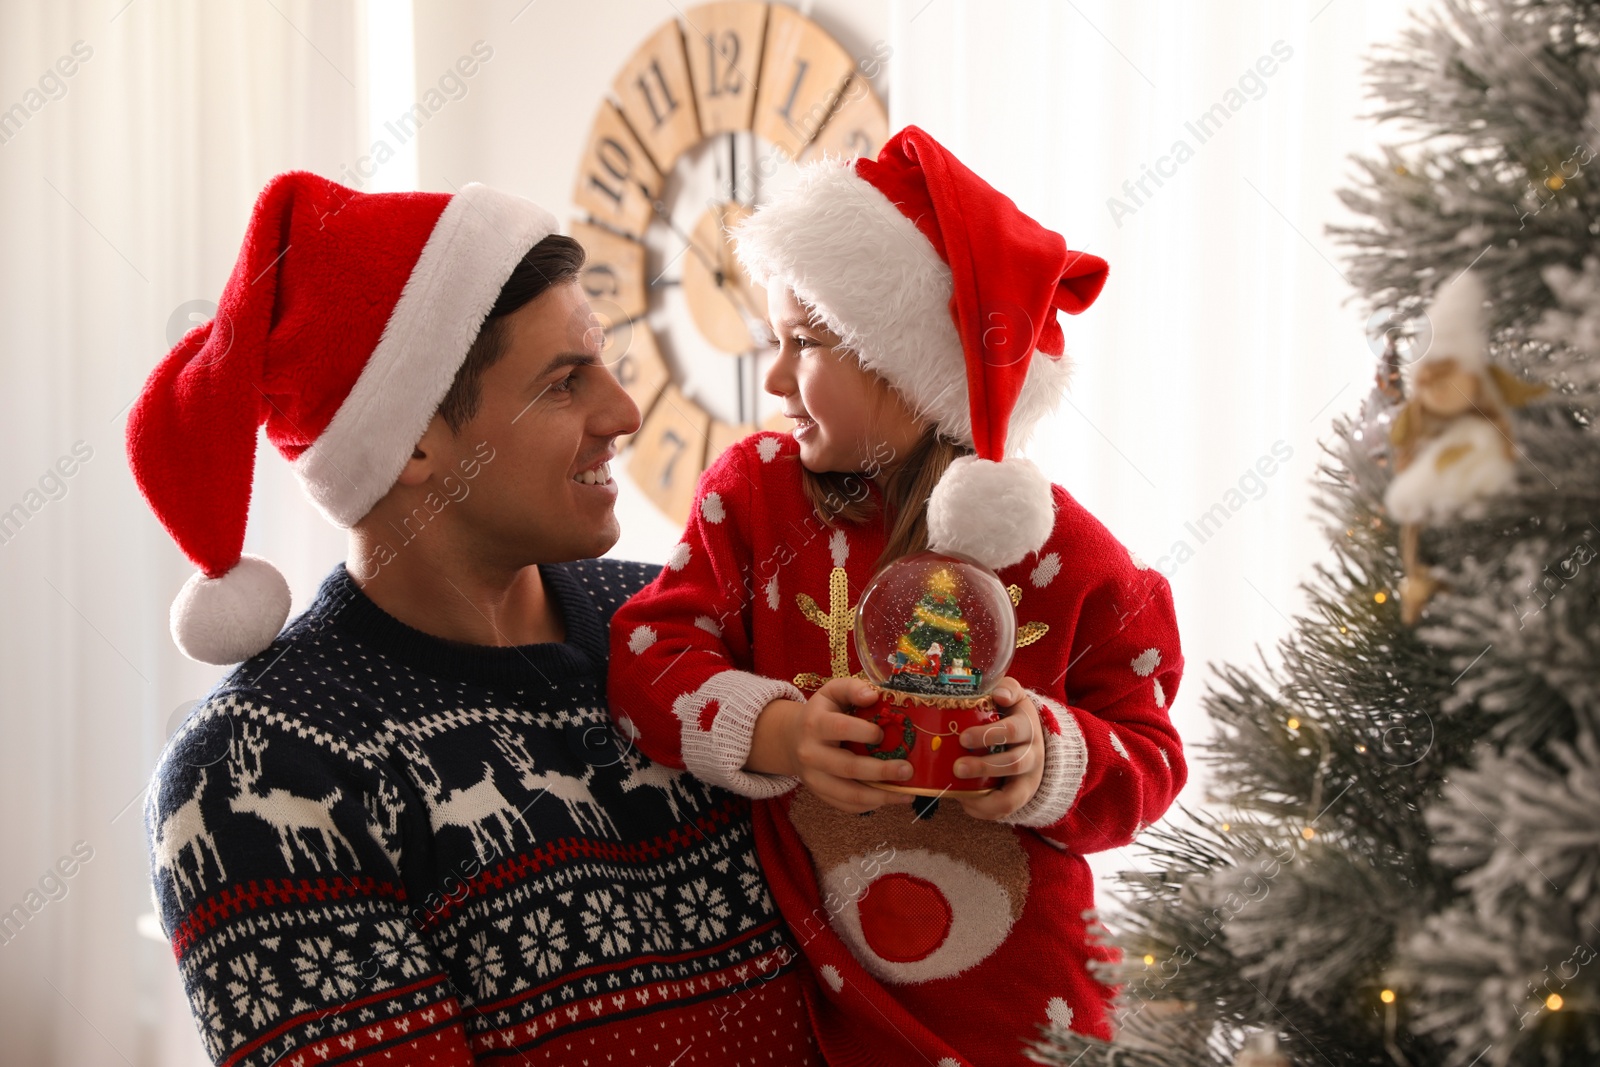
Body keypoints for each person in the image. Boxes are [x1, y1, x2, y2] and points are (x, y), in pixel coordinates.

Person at [130, 173, 822, 1066]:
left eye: (603, 361)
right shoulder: (253, 776)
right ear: (414, 439)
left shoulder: (691, 621)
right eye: (565, 383)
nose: (623, 412)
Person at [607, 126, 1187, 1065]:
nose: (777, 378)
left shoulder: (1060, 551)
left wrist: (1049, 759)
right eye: (775, 341)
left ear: (911, 365)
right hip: (826, 1013)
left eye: (806, 343)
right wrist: (783, 733)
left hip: (1034, 1026)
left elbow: (1152, 754)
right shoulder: (755, 494)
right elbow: (647, 656)